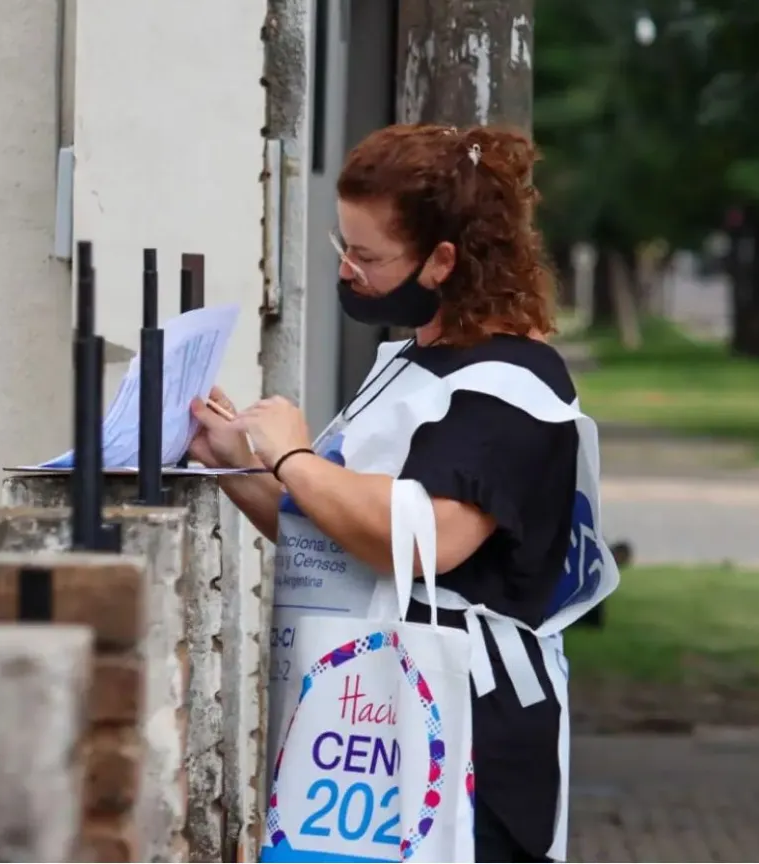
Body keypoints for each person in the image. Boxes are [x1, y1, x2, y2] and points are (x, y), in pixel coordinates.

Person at [188, 123, 618, 863]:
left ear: (443, 260)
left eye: (367, 255)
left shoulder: (512, 385)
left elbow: (431, 538)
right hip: (372, 717)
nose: (347, 271)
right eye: (342, 246)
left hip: (465, 729)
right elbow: (338, 535)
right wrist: (234, 465)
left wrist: (292, 452)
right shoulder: (413, 360)